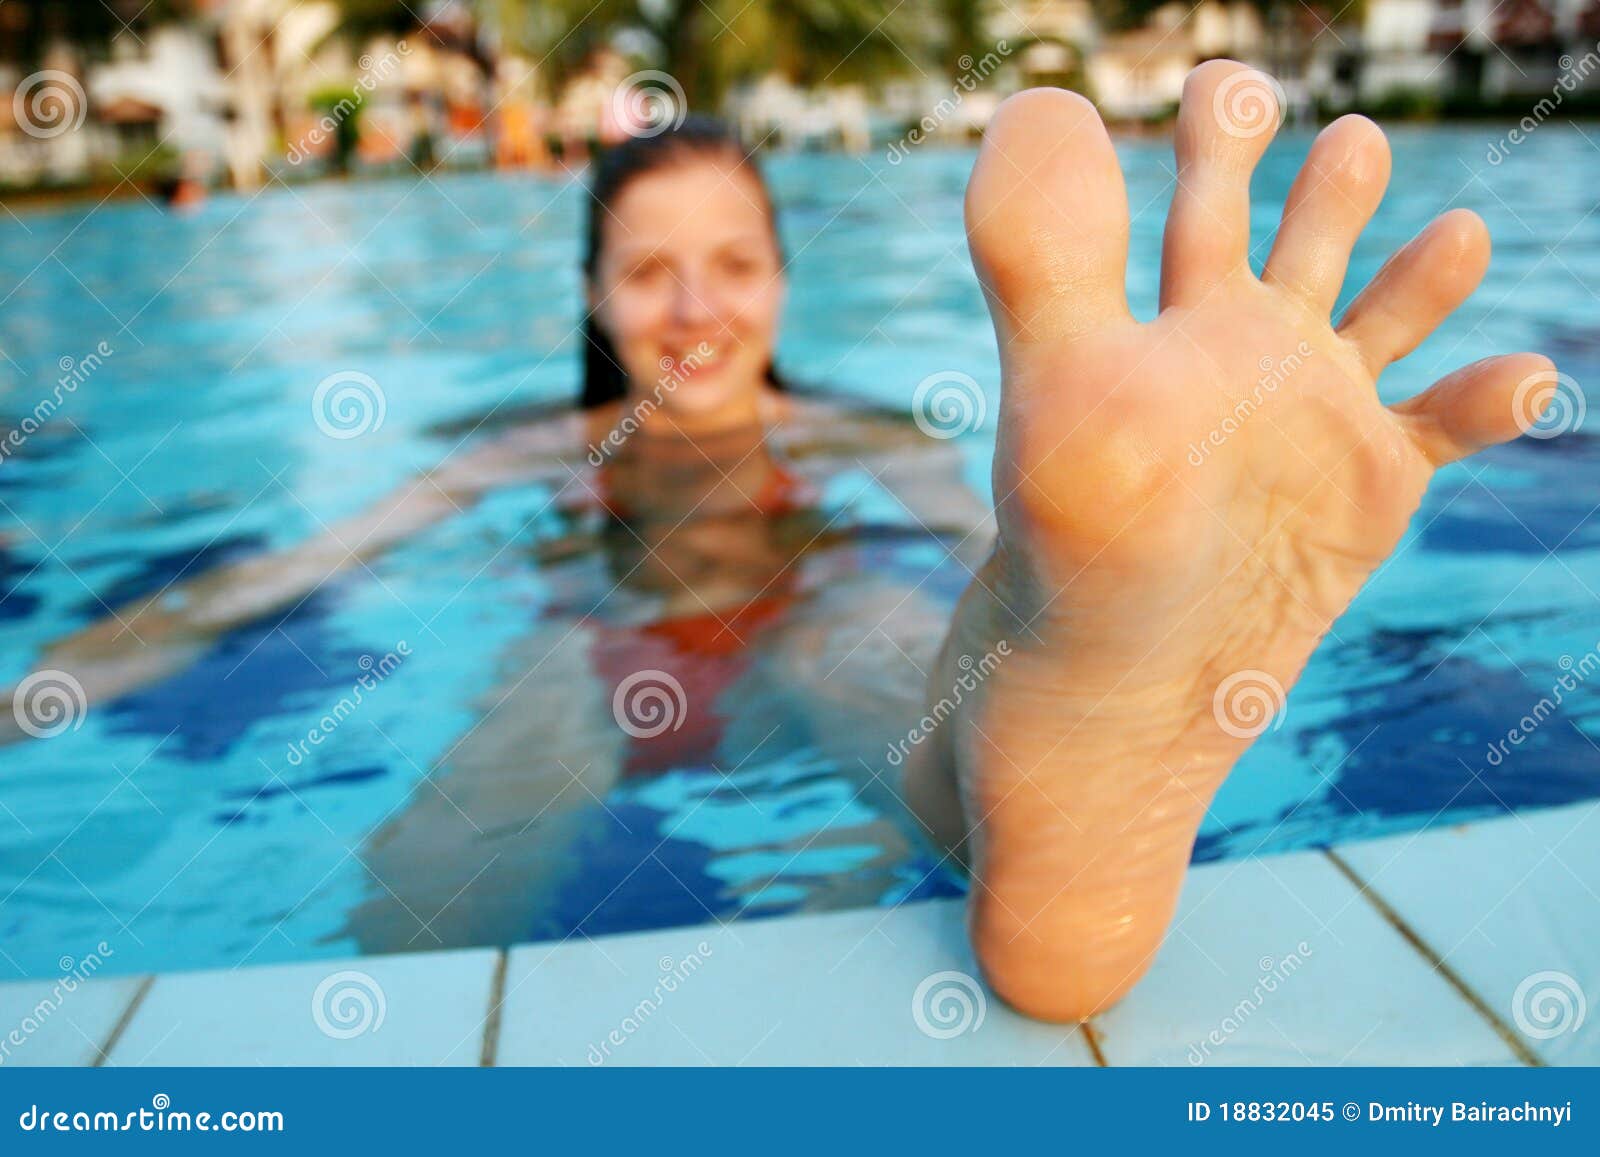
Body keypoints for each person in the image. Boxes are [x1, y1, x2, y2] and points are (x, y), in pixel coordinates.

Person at [3, 61, 1556, 1023]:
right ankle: (1035, 743)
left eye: (732, 265)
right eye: (652, 273)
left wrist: (1078, 584)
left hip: (815, 606)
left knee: (926, 652)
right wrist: (64, 674)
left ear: (782, 281)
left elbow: (979, 550)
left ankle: (1062, 750)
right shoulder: (538, 451)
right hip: (594, 647)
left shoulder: (850, 441)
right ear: (597, 298)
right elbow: (302, 566)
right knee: (434, 864)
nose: (695, 309)